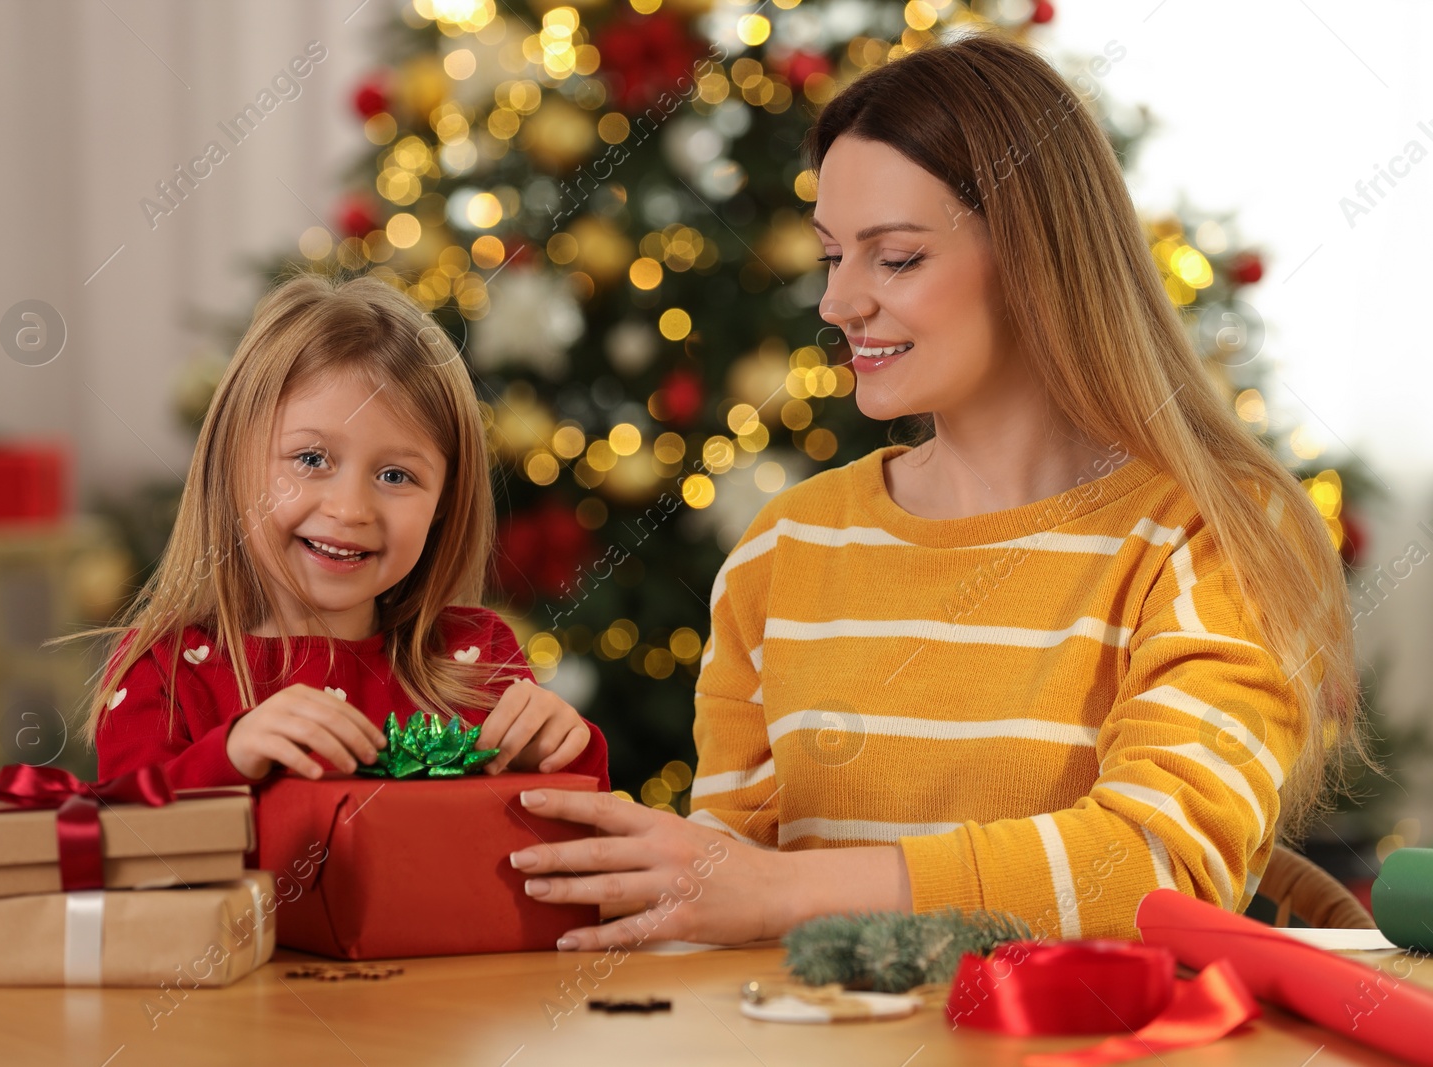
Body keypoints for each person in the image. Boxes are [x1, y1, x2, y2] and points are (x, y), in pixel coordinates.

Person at [508, 31, 1361, 948]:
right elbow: (727, 899)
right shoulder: (785, 549)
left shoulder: (1212, 532)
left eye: (897, 257)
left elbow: (1156, 874)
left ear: (1038, 259)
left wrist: (780, 890)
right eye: (834, 255)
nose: (838, 303)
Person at [85, 273, 610, 793]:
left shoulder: (475, 658)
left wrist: (564, 752)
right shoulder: (167, 671)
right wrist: (231, 756)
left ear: (444, 503)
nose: (351, 509)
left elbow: (562, 852)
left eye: (395, 476)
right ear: (231, 464)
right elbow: (128, 848)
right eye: (311, 459)